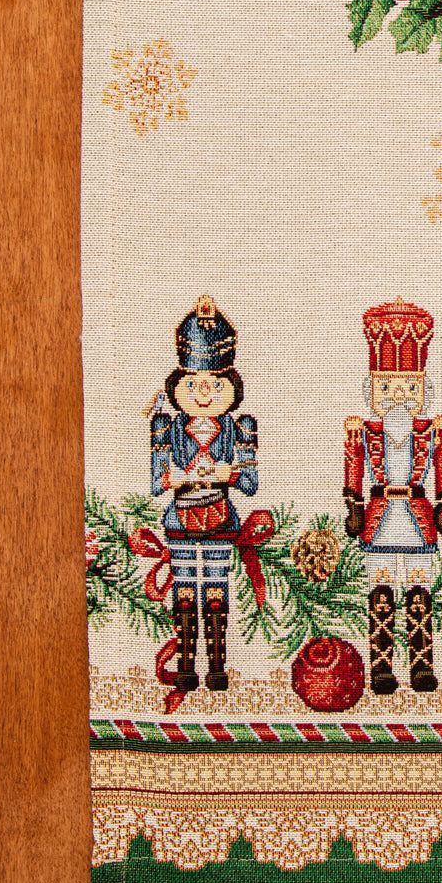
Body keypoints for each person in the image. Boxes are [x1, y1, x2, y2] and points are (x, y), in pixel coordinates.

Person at [344, 299, 442, 694]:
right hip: (379, 516)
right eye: (387, 387)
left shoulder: (431, 431)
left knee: (420, 591)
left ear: (423, 390)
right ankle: (381, 667)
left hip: (417, 515)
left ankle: (422, 665)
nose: (398, 396)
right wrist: (354, 507)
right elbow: (354, 470)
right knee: (381, 591)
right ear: (372, 390)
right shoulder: (364, 432)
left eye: (409, 387)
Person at [150, 296, 258, 691]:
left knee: (215, 589)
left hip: (219, 517)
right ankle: (185, 665)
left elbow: (250, 484)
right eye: (193, 384)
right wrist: (175, 478)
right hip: (180, 518)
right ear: (177, 386)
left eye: (214, 384)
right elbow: (155, 482)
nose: (204, 394)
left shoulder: (239, 428)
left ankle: (216, 666)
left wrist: (230, 474)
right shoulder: (167, 428)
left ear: (231, 387)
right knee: (183, 592)